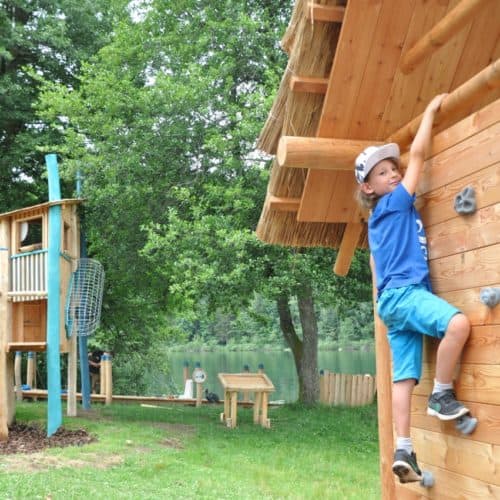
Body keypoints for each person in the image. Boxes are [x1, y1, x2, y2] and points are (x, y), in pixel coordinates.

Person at [354, 94, 471, 484]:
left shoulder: (378, 221)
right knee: (457, 325)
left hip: (389, 303)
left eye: (393, 169)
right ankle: (441, 393)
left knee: (402, 377)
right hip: (405, 294)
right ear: (369, 188)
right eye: (384, 173)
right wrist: (429, 113)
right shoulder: (396, 204)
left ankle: (403, 447)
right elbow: (418, 156)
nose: (394, 174)